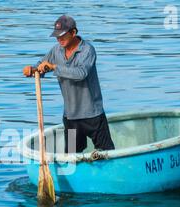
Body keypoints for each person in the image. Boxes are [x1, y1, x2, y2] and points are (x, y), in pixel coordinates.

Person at [23, 15, 115, 153]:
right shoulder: (56, 50)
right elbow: (42, 65)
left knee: (107, 151)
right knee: (72, 155)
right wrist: (32, 69)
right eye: (57, 36)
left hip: (93, 115)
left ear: (73, 33)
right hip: (71, 118)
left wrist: (54, 67)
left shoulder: (87, 50)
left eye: (62, 36)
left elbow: (80, 73)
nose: (59, 39)